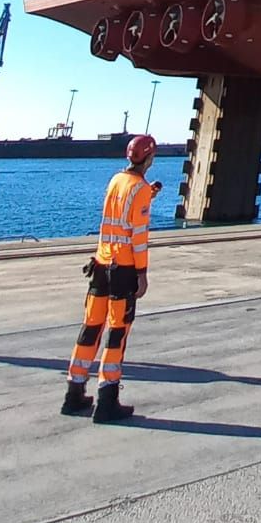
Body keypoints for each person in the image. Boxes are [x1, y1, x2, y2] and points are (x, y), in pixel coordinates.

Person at [61, 133, 161, 423]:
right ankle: (107, 400)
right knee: (117, 333)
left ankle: (74, 393)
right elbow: (138, 236)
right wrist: (142, 273)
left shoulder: (117, 180)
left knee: (90, 327)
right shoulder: (139, 188)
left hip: (101, 263)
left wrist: (147, 193)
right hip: (124, 269)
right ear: (150, 158)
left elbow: (118, 214)